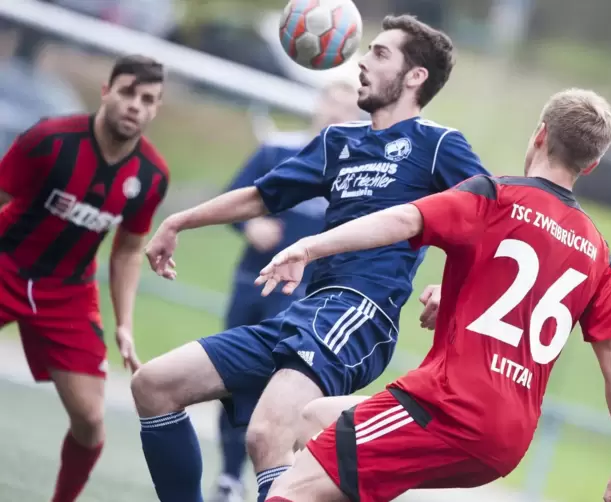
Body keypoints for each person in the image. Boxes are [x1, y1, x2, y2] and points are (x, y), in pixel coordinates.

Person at [133, 14, 491, 502]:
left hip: (360, 312)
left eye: (379, 53)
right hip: (306, 308)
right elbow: (262, 195)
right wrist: (179, 222)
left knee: (267, 433)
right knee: (154, 384)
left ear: (415, 77)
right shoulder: (337, 142)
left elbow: (494, 224)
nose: (362, 61)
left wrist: (451, 288)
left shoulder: (438, 146)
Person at [257, 88, 611, 502]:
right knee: (315, 419)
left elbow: (407, 217)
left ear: (540, 134)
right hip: (506, 441)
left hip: (447, 407)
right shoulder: (597, 252)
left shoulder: (497, 197)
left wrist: (310, 246)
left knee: (291, 492)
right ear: (592, 166)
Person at [0, 55, 169, 502]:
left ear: (156, 109)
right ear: (107, 91)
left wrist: (124, 325)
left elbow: (130, 249)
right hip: (5, 265)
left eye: (148, 99)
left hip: (67, 293)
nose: (136, 105)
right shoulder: (49, 140)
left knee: (91, 419)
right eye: (129, 92)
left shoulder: (152, 178)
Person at [209, 81, 361, 502]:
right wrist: (248, 225)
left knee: (287, 395)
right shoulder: (277, 151)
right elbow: (231, 199)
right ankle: (227, 477)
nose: (337, 111)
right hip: (252, 284)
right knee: (233, 382)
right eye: (333, 100)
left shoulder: (356, 174)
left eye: (350, 107)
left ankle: (280, 483)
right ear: (319, 102)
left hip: (304, 301)